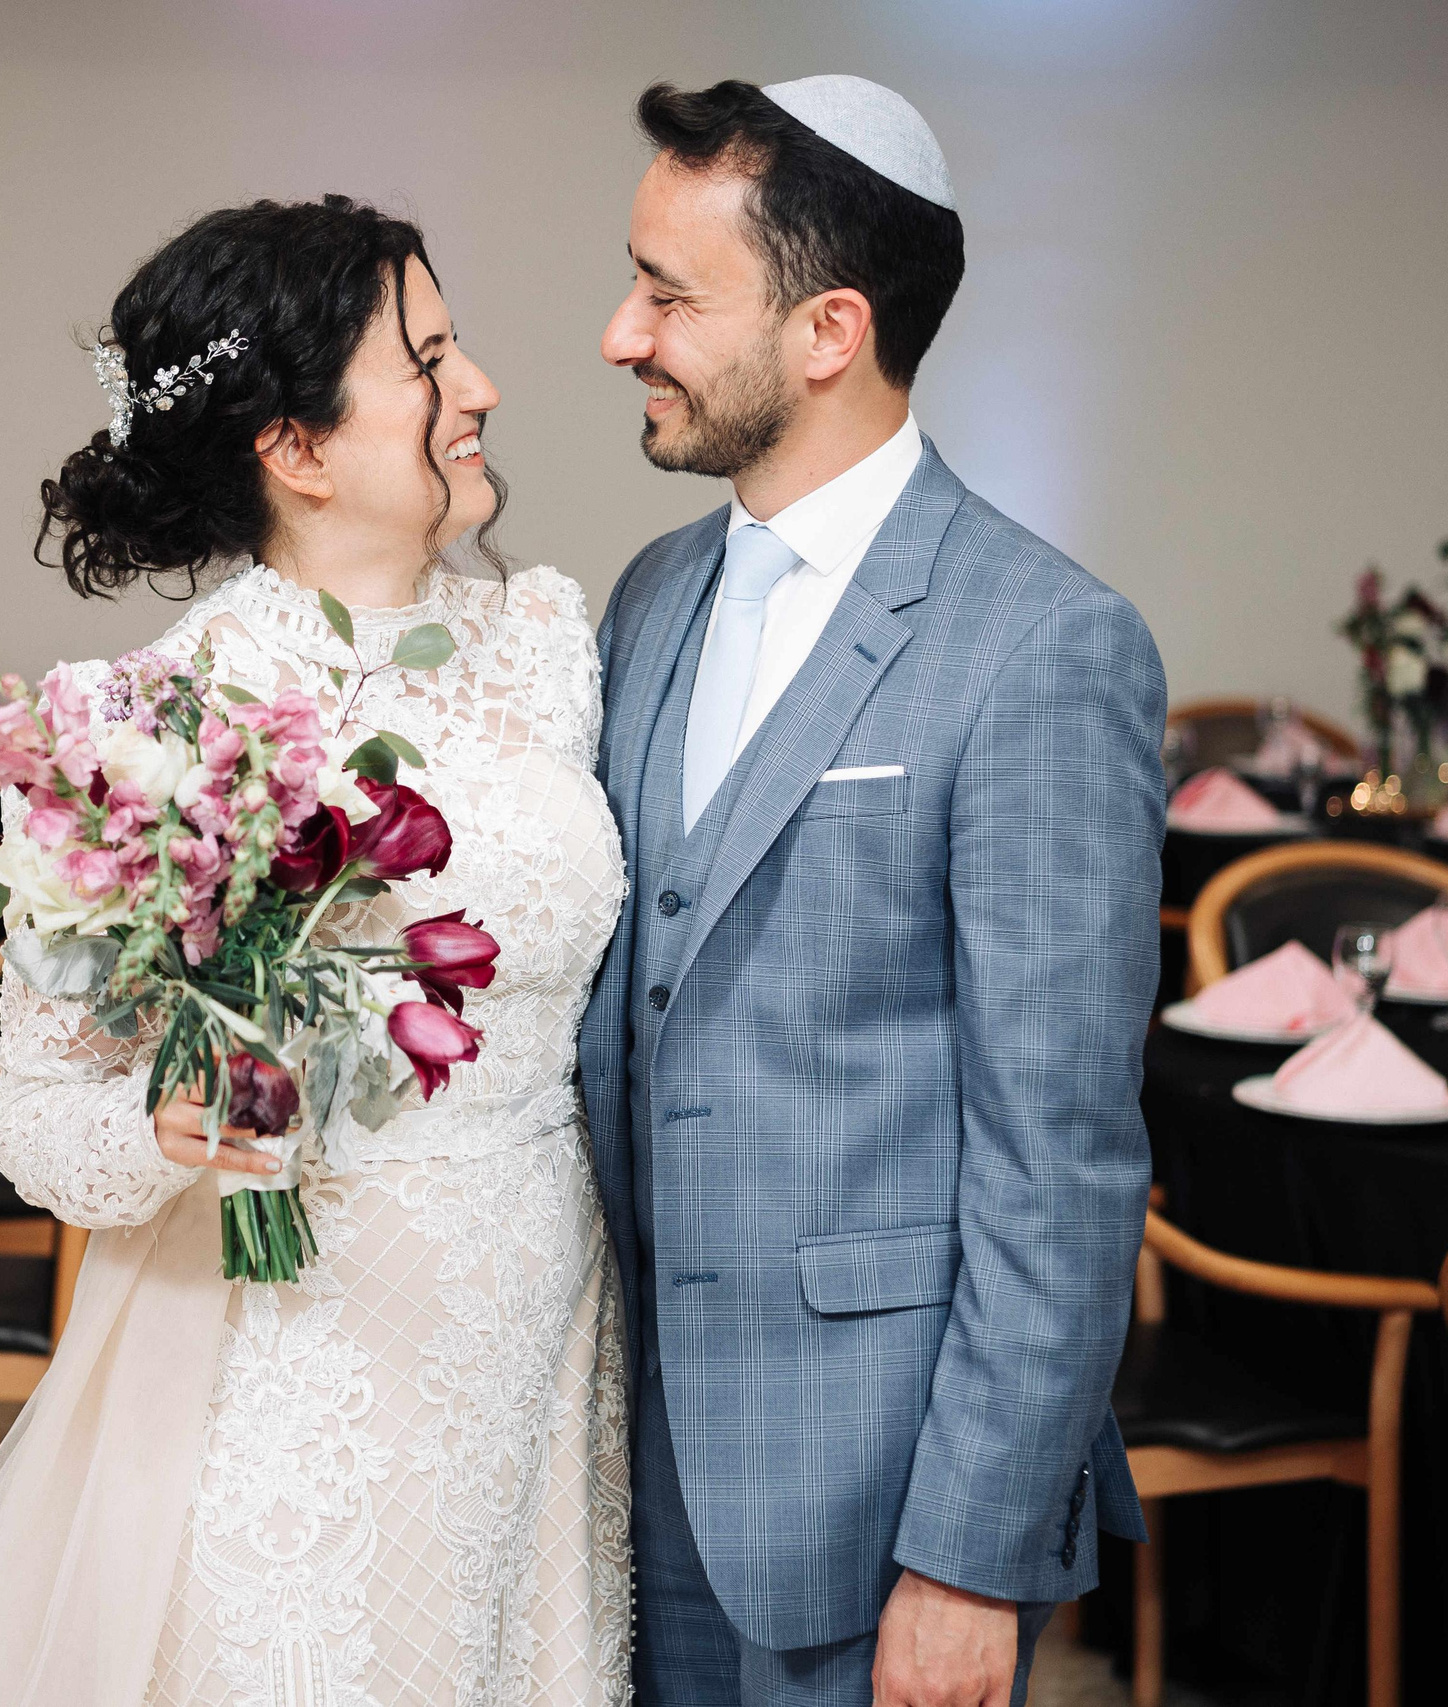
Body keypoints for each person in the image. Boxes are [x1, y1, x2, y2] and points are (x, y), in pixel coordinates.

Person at [0, 195, 631, 1706]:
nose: (478, 387)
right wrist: (171, 1122)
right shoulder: (150, 726)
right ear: (298, 446)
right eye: (429, 358)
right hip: (306, 1350)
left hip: (545, 1318)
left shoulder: (545, 642)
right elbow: (40, 1132)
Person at [583, 77, 1166, 1707]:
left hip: (879, 1502)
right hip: (633, 1467)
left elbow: (1062, 1162)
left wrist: (971, 1556)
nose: (621, 333)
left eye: (670, 294)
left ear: (830, 327)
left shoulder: (1044, 646)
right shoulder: (652, 595)